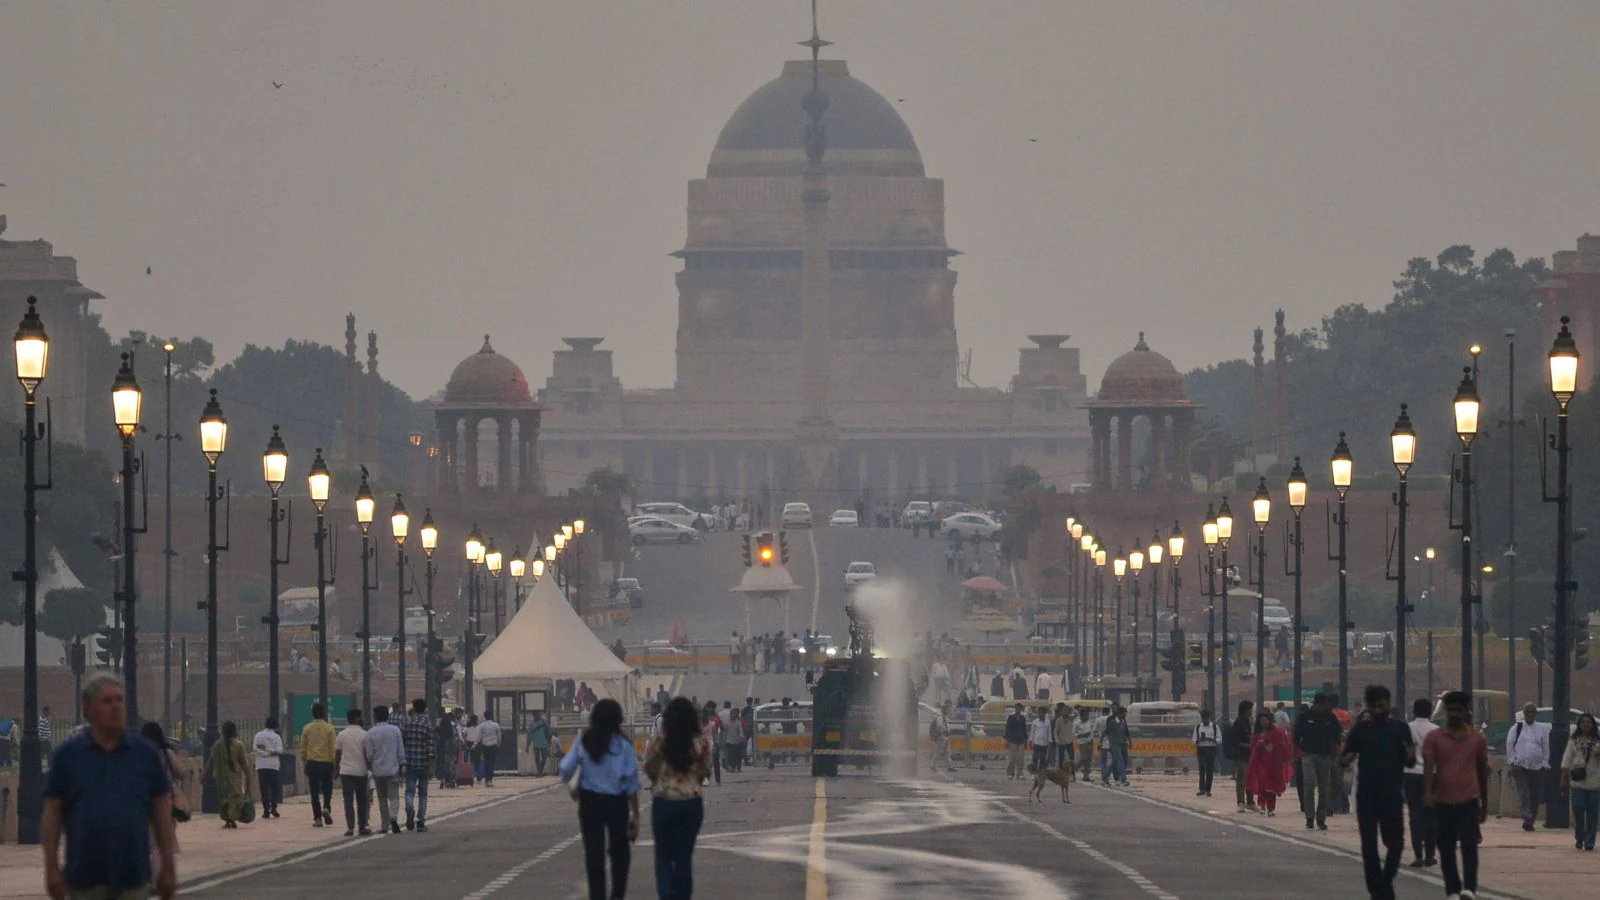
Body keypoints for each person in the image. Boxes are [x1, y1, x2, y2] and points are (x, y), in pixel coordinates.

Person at [42, 674, 177, 900]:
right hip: (85, 878)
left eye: (119, 700)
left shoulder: (144, 755)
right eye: (107, 701)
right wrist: (51, 867)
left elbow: (161, 810)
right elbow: (52, 813)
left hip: (133, 877)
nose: (115, 707)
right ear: (88, 709)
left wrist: (168, 864)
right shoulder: (68, 757)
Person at [561, 699, 641, 900]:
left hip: (590, 802)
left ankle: (597, 895)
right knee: (620, 853)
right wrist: (636, 814)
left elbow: (564, 768)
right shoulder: (624, 745)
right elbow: (631, 781)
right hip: (616, 803)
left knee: (594, 855)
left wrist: (573, 780)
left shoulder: (584, 741)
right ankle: (617, 895)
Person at [1341, 685, 1414, 900]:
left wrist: (1411, 752)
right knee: (1369, 844)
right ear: (1368, 707)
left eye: (1382, 706)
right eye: (1374, 707)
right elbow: (1346, 757)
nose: (1378, 710)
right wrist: (1344, 759)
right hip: (1367, 795)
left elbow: (1409, 761)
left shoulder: (1401, 729)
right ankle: (1377, 890)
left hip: (1392, 793)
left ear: (1388, 704)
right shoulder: (1361, 730)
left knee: (1396, 843)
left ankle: (1385, 881)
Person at [1423, 690, 1489, 900]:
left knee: (1469, 845)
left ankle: (1469, 888)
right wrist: (1428, 791)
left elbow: (1481, 771)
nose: (1454, 714)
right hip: (1443, 801)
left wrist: (1484, 803)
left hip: (1468, 800)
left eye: (1458, 710)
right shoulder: (1434, 738)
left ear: (1466, 712)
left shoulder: (1477, 740)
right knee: (1446, 847)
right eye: (1450, 710)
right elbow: (1429, 767)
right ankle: (1452, 889)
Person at [644, 697, 712, 899]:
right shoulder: (700, 742)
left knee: (663, 853)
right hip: (691, 801)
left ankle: (666, 891)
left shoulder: (659, 740)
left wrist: (661, 780)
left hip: (664, 801)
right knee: (684, 855)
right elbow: (706, 770)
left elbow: (649, 767)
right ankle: (683, 894)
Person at [1294, 693, 1342, 831]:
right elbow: (1297, 736)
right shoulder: (1305, 717)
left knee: (1324, 788)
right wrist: (1297, 753)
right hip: (1308, 755)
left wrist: (1334, 753)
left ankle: (1321, 817)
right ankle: (1309, 816)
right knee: (1309, 784)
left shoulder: (1330, 718)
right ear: (1315, 703)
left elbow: (1336, 736)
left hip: (1325, 756)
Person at [1505, 701, 1551, 832]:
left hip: (1537, 767)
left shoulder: (1541, 729)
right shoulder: (1517, 728)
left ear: (1535, 714)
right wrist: (1512, 760)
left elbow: (1545, 748)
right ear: (1524, 713)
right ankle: (1527, 818)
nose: (1529, 714)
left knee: (1534, 795)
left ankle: (1531, 819)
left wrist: (1544, 763)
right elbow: (1510, 744)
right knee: (1524, 792)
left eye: (1532, 712)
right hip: (1520, 766)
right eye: (1527, 712)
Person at [1403, 697, 1438, 868]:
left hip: (1411, 776)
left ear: (1414, 711)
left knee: (1415, 817)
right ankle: (1430, 855)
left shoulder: (1407, 728)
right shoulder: (1436, 731)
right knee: (1431, 816)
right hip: (1431, 776)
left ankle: (1418, 855)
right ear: (1430, 711)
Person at [1561, 712, 1599, 851]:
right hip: (1577, 781)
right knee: (1577, 808)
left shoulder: (1597, 741)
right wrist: (1563, 777)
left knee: (1593, 812)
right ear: (1579, 725)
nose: (1586, 724)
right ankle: (1580, 835)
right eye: (1583, 722)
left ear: (1592, 724)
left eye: (1588, 722)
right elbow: (1566, 759)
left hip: (1595, 782)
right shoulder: (1573, 740)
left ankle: (1589, 841)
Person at [366, 705, 404, 835]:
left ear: (375, 717)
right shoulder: (395, 730)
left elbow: (369, 755)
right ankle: (393, 815)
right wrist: (402, 765)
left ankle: (385, 824)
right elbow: (400, 751)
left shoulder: (370, 732)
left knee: (381, 798)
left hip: (378, 771)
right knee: (394, 797)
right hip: (393, 769)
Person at [334, 708, 371, 836]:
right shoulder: (365, 734)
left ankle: (350, 827)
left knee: (348, 800)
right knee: (362, 800)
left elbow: (337, 754)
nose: (362, 719)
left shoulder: (341, 734)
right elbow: (367, 754)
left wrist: (336, 769)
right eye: (360, 717)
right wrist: (369, 766)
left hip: (346, 772)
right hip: (361, 771)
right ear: (356, 718)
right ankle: (362, 826)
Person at [299, 703, 337, 827]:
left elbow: (303, 748)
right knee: (327, 788)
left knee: (314, 792)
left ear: (313, 714)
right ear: (324, 714)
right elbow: (333, 749)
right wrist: (334, 764)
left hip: (312, 762)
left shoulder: (307, 728)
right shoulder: (330, 728)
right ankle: (326, 806)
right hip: (326, 763)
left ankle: (317, 818)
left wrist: (305, 762)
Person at [1246, 711, 1291, 816]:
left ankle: (1271, 808)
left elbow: (1282, 747)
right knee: (1262, 785)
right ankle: (1262, 805)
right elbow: (1253, 748)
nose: (1264, 723)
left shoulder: (1277, 733)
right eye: (1262, 721)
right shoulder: (1258, 735)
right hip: (1261, 764)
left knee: (1272, 787)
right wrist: (1259, 746)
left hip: (1274, 764)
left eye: (1266, 720)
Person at [401, 698, 437, 831]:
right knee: (423, 794)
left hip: (409, 763)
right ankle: (421, 822)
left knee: (409, 791)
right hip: (423, 763)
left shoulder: (407, 723)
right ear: (425, 709)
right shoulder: (427, 724)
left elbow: (402, 743)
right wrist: (431, 764)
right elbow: (430, 747)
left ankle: (409, 810)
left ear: (414, 708)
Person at [252, 717, 284, 819]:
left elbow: (255, 748)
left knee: (264, 788)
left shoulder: (258, 735)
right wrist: (271, 752)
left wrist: (265, 751)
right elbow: (279, 750)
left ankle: (266, 809)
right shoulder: (277, 737)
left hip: (261, 765)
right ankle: (273, 806)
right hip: (273, 765)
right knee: (275, 787)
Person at [1228, 701, 1257, 811]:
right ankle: (1241, 802)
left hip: (1249, 755)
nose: (1251, 711)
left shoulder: (1248, 722)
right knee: (1242, 779)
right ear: (1246, 710)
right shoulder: (1238, 723)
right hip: (1241, 755)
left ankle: (1250, 801)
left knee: (1249, 778)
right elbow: (1236, 741)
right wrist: (1247, 745)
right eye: (1250, 709)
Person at [1193, 709, 1221, 796]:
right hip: (1201, 748)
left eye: (1206, 718)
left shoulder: (1214, 727)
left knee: (1209, 770)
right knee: (1202, 769)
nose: (1204, 720)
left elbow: (1220, 739)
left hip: (1211, 748)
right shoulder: (1198, 727)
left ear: (1209, 718)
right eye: (1203, 718)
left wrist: (1213, 740)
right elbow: (1193, 739)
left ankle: (1208, 789)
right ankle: (1201, 788)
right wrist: (1198, 740)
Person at [1104, 706, 1132, 787]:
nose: (1125, 716)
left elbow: (1124, 733)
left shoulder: (1123, 722)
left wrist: (1127, 741)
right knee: (1120, 761)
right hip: (1114, 745)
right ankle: (1123, 779)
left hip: (1121, 745)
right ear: (1119, 714)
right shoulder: (1112, 722)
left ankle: (1105, 777)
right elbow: (1106, 732)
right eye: (1124, 714)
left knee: (1115, 762)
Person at [1004, 703, 1029, 780]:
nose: (1017, 709)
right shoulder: (1011, 717)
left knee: (1021, 758)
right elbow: (1008, 728)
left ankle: (1020, 774)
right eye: (1016, 708)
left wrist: (1026, 740)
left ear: (1021, 709)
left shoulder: (1022, 718)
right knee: (1012, 758)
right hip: (1012, 740)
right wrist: (1007, 739)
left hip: (1021, 740)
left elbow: (1024, 729)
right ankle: (1010, 773)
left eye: (1019, 708)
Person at [526, 710, 553, 777]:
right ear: (534, 716)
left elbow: (548, 733)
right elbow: (529, 736)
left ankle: (540, 771)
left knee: (544, 758)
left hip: (544, 743)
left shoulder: (544, 723)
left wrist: (549, 742)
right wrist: (527, 746)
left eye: (539, 714)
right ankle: (539, 772)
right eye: (537, 715)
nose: (538, 716)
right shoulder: (532, 724)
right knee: (537, 759)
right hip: (536, 744)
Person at [479, 711, 503, 785]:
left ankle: (487, 778)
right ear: (491, 716)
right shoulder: (496, 725)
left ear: (484, 717)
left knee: (486, 762)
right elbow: (499, 736)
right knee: (492, 763)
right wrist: (498, 744)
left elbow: (479, 736)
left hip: (485, 745)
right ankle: (490, 779)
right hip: (493, 745)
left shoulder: (482, 726)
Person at [1029, 707, 1053, 773]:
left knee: (1043, 758)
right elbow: (1032, 732)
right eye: (1039, 713)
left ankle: (1041, 772)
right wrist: (1031, 740)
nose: (1040, 714)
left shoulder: (1047, 722)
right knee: (1035, 758)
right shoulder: (1035, 722)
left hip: (1045, 743)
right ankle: (1034, 772)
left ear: (1044, 713)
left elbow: (1049, 732)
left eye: (1041, 712)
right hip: (1036, 742)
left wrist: (1050, 741)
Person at [1052, 704, 1074, 773]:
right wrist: (1057, 740)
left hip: (1069, 741)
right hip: (1061, 742)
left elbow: (1077, 714)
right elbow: (1055, 731)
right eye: (1064, 710)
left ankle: (1072, 774)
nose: (1066, 712)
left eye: (1067, 710)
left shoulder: (1071, 718)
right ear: (1061, 712)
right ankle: (1061, 772)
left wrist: (1071, 708)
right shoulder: (1058, 720)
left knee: (1071, 759)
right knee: (1061, 759)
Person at [1075, 708, 1095, 782]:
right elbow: (1075, 734)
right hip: (1082, 743)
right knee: (1084, 758)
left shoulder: (1089, 722)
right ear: (1083, 715)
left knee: (1088, 761)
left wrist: (1092, 741)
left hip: (1089, 742)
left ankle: (1086, 776)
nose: (1088, 716)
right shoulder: (1077, 723)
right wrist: (1083, 735)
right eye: (1087, 714)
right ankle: (1074, 770)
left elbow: (1091, 732)